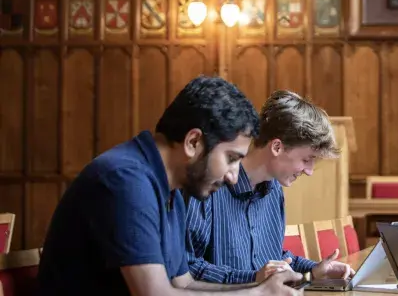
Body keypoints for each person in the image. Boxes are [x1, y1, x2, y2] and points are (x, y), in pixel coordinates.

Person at [38, 76, 305, 295]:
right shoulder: (125, 180)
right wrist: (258, 294)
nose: (233, 176)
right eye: (231, 159)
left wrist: (261, 285)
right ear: (193, 142)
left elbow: (184, 284)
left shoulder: (172, 189)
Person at [185, 90, 354, 284]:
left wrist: (313, 271)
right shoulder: (208, 186)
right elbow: (187, 268)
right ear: (276, 147)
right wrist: (253, 278)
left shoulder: (274, 190)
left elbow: (270, 258)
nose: (309, 171)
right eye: (306, 159)